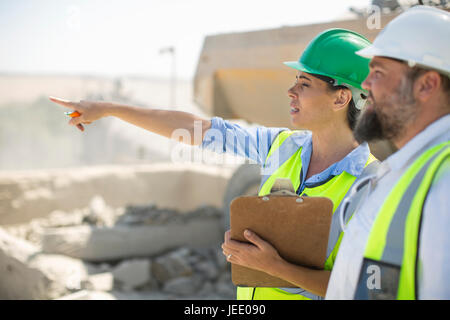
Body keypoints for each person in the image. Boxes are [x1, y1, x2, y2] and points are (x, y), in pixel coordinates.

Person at [50, 28, 376, 300]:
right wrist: (110, 109)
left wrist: (274, 267)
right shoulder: (282, 148)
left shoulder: (370, 185)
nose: (290, 91)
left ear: (340, 97)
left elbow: (364, 289)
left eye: (304, 84)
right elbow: (197, 130)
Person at [325, 6, 450, 300]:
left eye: (378, 72)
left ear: (426, 85)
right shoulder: (406, 172)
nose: (365, 86)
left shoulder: (444, 185)